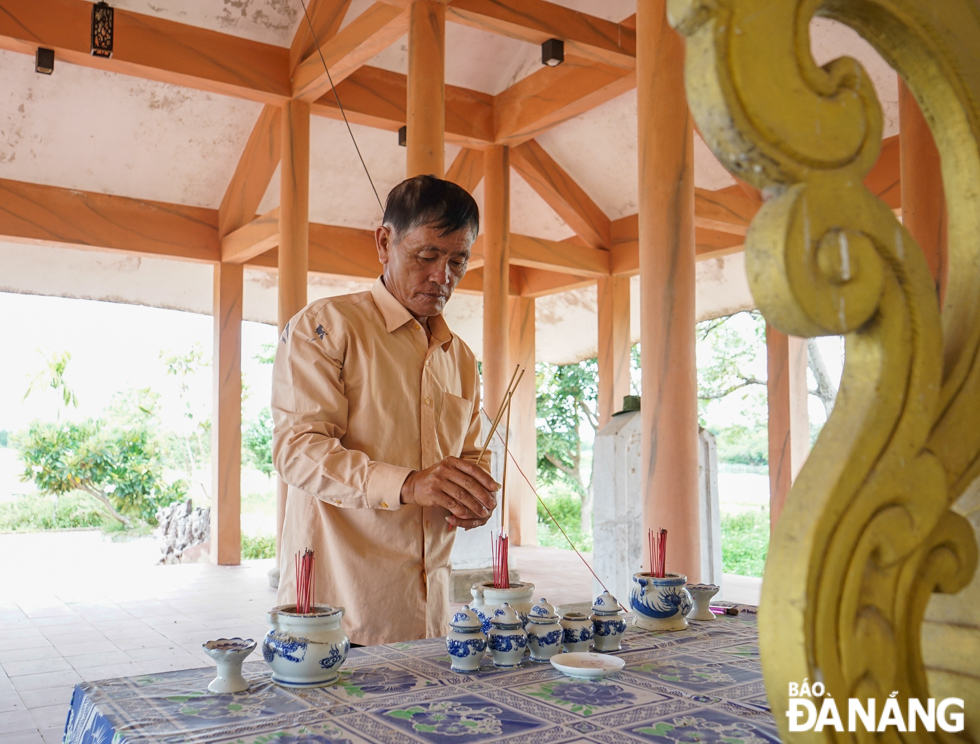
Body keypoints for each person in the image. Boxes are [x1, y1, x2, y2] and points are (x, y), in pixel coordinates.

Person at [271, 175, 499, 646]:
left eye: (459, 260)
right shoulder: (326, 327)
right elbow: (298, 450)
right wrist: (410, 484)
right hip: (337, 612)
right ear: (384, 242)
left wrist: (472, 494)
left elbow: (474, 452)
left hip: (428, 613)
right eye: (426, 256)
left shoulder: (459, 357)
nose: (444, 277)